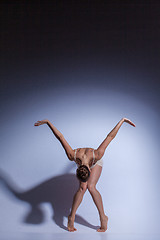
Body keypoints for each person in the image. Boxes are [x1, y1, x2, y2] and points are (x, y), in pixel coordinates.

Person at [34, 117, 136, 232]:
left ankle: (103, 217)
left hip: (94, 161)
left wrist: (122, 121)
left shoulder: (97, 155)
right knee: (83, 187)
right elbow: (60, 137)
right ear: (79, 169)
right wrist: (48, 123)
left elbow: (110, 136)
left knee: (91, 187)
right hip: (83, 161)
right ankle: (71, 216)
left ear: (90, 171)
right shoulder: (72, 155)